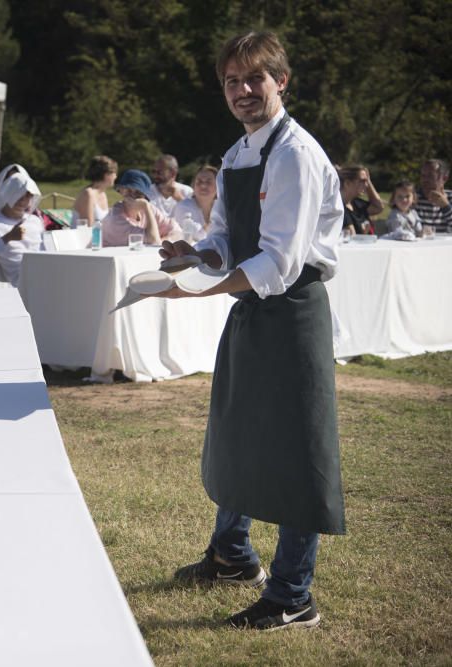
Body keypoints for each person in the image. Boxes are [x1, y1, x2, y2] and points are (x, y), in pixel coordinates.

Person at [159, 31, 345, 631]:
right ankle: (233, 554)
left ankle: (294, 594)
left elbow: (280, 262)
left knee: (296, 454)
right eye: (231, 82)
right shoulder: (240, 152)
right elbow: (227, 240)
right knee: (236, 432)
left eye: (254, 79)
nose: (241, 91)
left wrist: (201, 288)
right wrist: (194, 255)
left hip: (292, 313)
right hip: (252, 311)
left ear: (280, 80)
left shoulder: (294, 153)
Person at [0, 174, 44, 286]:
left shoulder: (34, 220)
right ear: (9, 194)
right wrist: (7, 238)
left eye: (28, 196)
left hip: (46, 272)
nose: (23, 201)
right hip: (25, 283)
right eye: (19, 195)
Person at [102, 169, 183, 246]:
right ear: (120, 190)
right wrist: (146, 207)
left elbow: (178, 232)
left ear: (145, 196)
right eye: (128, 190)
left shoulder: (148, 209)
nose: (133, 196)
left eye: (138, 192)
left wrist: (162, 241)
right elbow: (153, 241)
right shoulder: (116, 217)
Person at [172, 166, 219, 241]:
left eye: (208, 182)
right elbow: (197, 236)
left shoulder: (222, 207)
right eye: (199, 181)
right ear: (193, 185)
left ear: (218, 186)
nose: (203, 185)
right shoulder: (183, 206)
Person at [338, 165, 383, 235]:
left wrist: (369, 182)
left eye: (367, 181)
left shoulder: (357, 203)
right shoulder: (338, 207)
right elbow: (351, 235)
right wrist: (363, 233)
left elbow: (378, 207)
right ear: (347, 183)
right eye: (362, 181)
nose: (366, 185)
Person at [73, 155, 118, 226]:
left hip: (98, 235)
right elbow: (88, 227)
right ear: (106, 175)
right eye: (114, 173)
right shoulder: (88, 194)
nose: (116, 176)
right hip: (84, 236)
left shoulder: (103, 194)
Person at [415, 159, 452, 232]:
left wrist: (446, 207)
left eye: (430, 176)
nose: (425, 180)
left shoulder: (450, 197)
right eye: (423, 175)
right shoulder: (412, 198)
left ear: (444, 178)